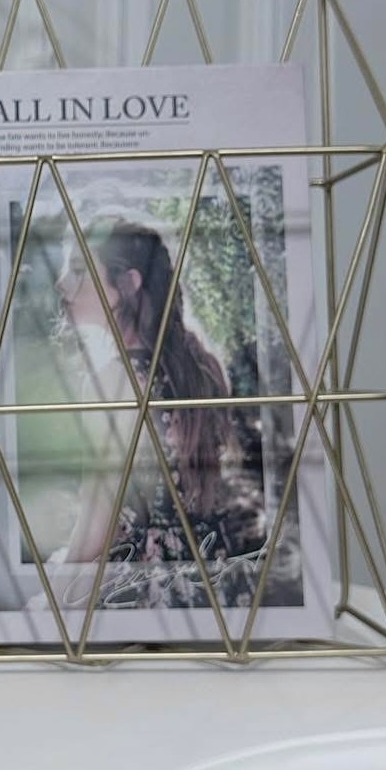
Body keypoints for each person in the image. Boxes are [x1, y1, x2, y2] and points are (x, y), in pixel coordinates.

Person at [53, 218, 265, 606]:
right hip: (216, 583)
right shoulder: (202, 367)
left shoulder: (114, 381)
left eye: (80, 269)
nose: (62, 283)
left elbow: (97, 523)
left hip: (147, 590)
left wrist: (53, 598)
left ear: (127, 284)